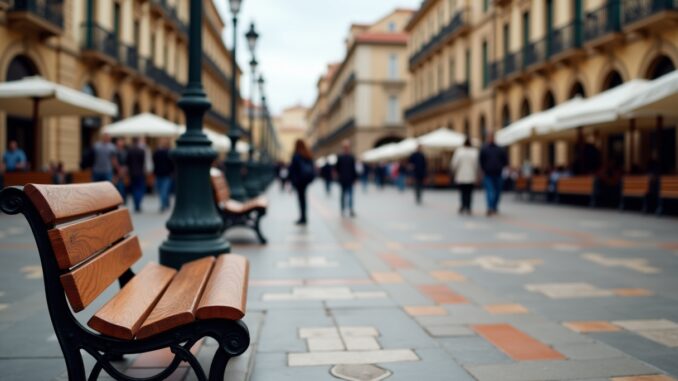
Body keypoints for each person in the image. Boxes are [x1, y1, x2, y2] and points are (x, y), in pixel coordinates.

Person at [479, 132, 508, 216]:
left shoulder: (499, 149)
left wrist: (501, 166)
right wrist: (483, 170)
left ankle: (494, 206)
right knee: (490, 191)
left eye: (491, 137)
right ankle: (490, 207)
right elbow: (481, 161)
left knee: (497, 192)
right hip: (488, 173)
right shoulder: (484, 149)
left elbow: (505, 160)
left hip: (498, 173)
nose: (490, 139)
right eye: (489, 137)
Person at [288, 139, 315, 225]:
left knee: (301, 199)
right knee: (303, 198)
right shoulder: (307, 154)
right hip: (305, 180)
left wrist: (291, 181)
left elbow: (292, 169)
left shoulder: (296, 155)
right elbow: (311, 166)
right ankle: (304, 217)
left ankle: (302, 218)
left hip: (299, 181)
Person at [451, 138, 479, 214]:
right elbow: (477, 165)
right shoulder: (474, 152)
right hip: (471, 175)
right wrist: (477, 174)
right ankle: (469, 207)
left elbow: (454, 163)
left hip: (461, 175)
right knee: (469, 192)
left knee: (462, 192)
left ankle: (463, 205)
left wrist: (453, 171)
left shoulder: (459, 151)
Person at [336, 140, 358, 217]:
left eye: (347, 147)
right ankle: (342, 209)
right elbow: (337, 168)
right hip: (342, 179)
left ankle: (351, 209)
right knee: (343, 195)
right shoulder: (340, 157)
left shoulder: (351, 157)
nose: (346, 148)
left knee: (351, 195)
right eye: (345, 147)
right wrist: (338, 177)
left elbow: (354, 168)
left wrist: (355, 178)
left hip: (350, 179)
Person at [153, 138, 174, 213]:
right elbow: (172, 164)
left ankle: (164, 204)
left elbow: (154, 162)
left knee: (161, 190)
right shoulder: (169, 152)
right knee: (165, 190)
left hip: (159, 173)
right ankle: (164, 204)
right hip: (167, 173)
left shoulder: (156, 152)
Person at [126, 137, 146, 213]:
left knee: (134, 189)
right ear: (138, 142)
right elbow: (143, 162)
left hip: (132, 173)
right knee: (140, 189)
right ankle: (138, 204)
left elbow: (127, 162)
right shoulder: (141, 151)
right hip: (140, 172)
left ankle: (136, 205)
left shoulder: (129, 151)